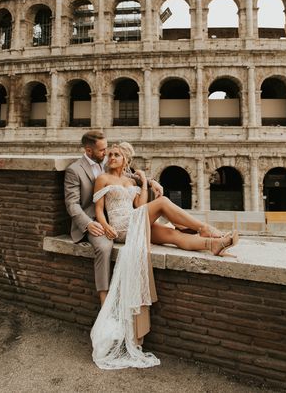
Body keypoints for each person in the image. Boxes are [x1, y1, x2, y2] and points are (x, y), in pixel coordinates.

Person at [90, 142, 238, 370]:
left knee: (172, 234)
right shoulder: (103, 179)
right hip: (121, 227)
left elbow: (139, 205)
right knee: (162, 203)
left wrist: (143, 183)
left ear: (125, 159)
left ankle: (214, 244)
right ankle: (204, 228)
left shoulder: (130, 181)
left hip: (136, 222)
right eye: (109, 154)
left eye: (116, 154)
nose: (111, 157)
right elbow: (99, 208)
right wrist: (104, 225)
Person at [64, 130, 162, 306]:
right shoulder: (74, 170)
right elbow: (72, 204)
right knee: (104, 247)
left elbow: (128, 176)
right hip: (93, 221)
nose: (107, 153)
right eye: (102, 150)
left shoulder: (106, 162)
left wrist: (151, 181)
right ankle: (104, 299)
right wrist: (88, 224)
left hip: (116, 218)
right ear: (88, 151)